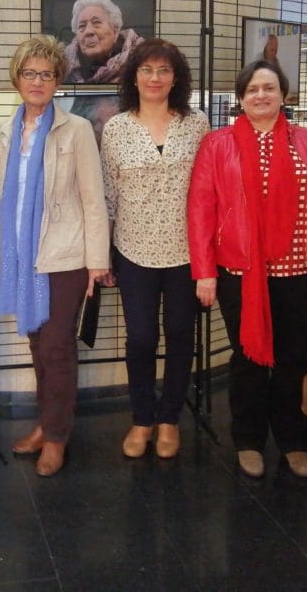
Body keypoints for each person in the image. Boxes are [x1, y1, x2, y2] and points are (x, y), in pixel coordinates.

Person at [188, 59, 307, 480]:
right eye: (252, 89)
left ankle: (293, 440)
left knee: (292, 358)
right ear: (241, 98)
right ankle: (248, 440)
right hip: (239, 271)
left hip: (298, 271)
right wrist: (204, 271)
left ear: (284, 94)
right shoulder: (218, 144)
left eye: (269, 88)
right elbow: (201, 208)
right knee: (247, 357)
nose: (261, 95)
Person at [0, 36, 110, 476]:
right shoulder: (5, 132)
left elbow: (93, 199)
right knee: (38, 345)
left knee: (57, 346)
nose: (37, 81)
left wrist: (97, 261)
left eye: (46, 74)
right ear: (17, 78)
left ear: (58, 81)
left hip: (65, 255)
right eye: (30, 73)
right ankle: (45, 423)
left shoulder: (75, 129)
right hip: (21, 256)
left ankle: (57, 436)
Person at [100, 40, 207, 459]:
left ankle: (169, 419)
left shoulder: (196, 124)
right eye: (146, 70)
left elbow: (210, 189)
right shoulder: (116, 128)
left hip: (186, 252)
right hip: (133, 250)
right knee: (141, 338)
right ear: (133, 77)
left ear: (176, 78)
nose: (155, 78)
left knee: (180, 335)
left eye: (164, 70)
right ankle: (142, 418)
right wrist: (105, 254)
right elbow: (109, 195)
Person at [62, 0, 144, 84]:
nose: (88, 31)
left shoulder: (141, 61)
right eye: (82, 26)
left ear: (115, 31)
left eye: (96, 23)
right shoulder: (63, 67)